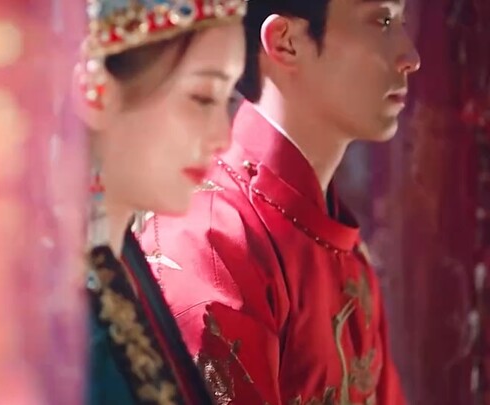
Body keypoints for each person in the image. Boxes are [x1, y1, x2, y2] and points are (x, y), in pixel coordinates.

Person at [139, 0, 421, 404]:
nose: (411, 57)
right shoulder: (211, 243)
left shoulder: (340, 240)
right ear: (285, 41)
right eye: (382, 21)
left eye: (401, 22)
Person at [78, 0, 247, 403]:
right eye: (203, 97)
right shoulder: (36, 313)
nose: (223, 137)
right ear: (96, 93)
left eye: (228, 100)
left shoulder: (121, 262)